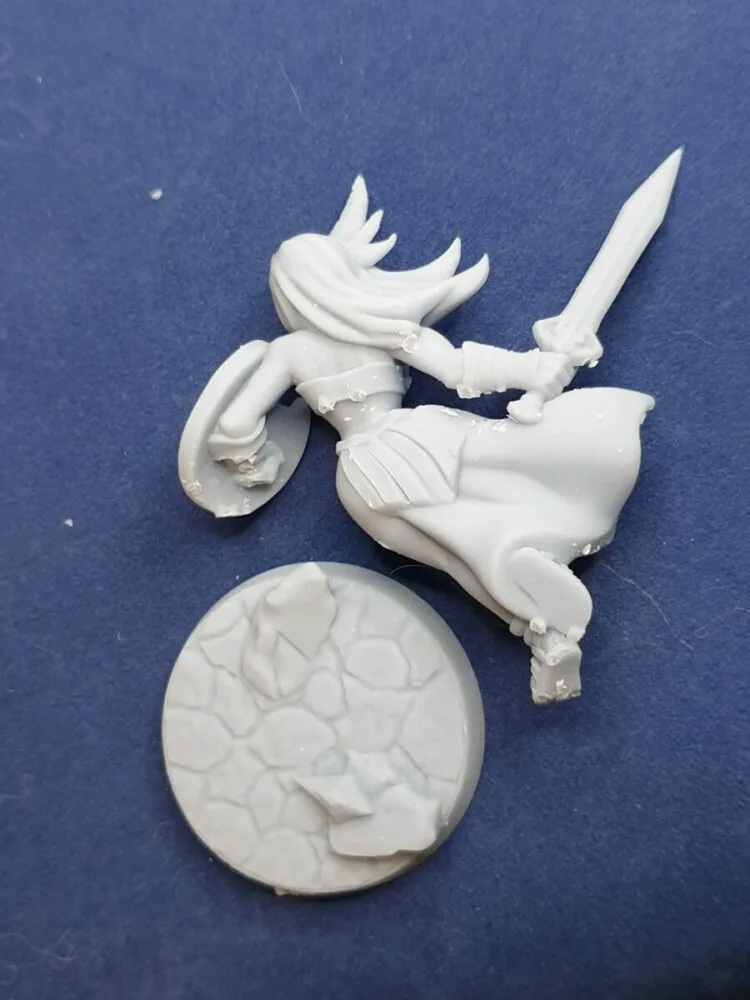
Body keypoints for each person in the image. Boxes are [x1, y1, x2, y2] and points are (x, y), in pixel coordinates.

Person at [206, 177, 653, 703]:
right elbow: (459, 368)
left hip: (363, 476)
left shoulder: (290, 352)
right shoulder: (381, 329)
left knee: (456, 556)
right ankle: (538, 580)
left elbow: (234, 425)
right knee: (500, 493)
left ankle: (538, 629)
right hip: (419, 437)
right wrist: (531, 369)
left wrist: (254, 462)